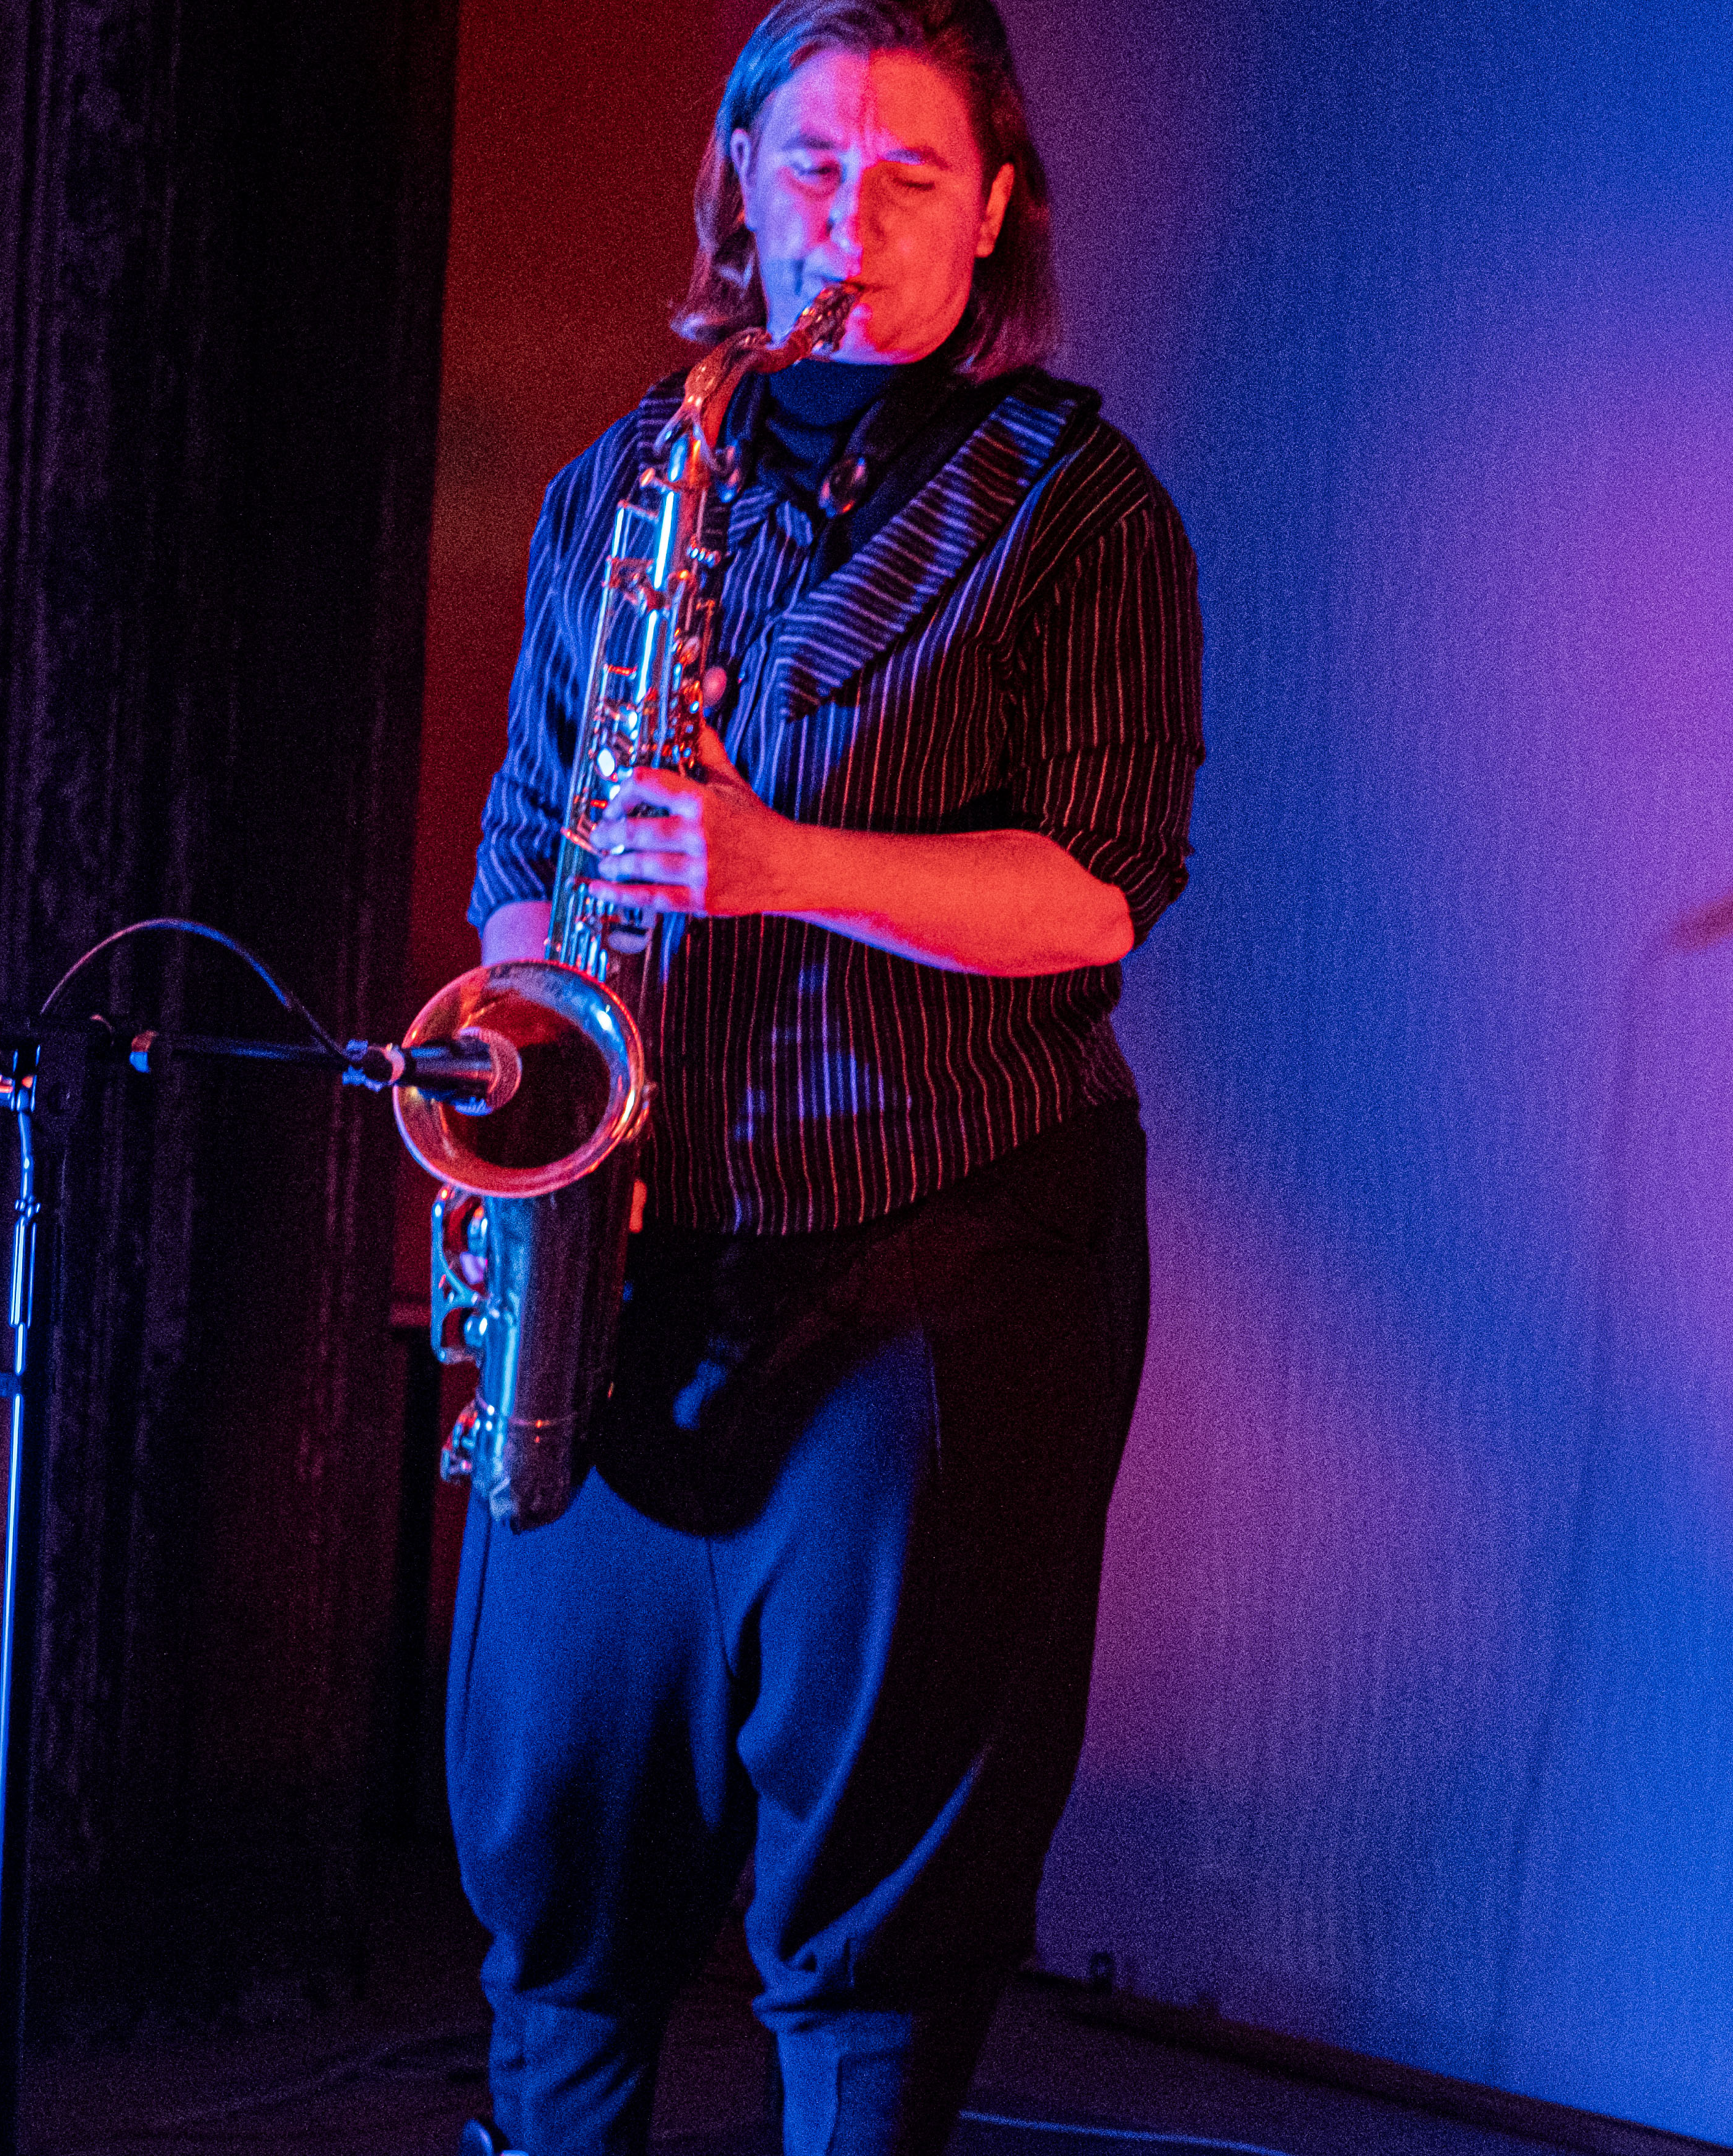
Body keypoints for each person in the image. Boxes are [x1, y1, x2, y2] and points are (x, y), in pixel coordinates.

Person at [449, 6, 1198, 2152]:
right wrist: (516, 1038)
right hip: (633, 1258)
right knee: (560, 1866)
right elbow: (529, 855)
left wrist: (779, 863)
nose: (843, 225)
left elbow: (1098, 891)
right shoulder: (622, 482)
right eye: (808, 169)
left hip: (943, 1251)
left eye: (904, 181)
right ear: (739, 180)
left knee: (872, 1895)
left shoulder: (1077, 501)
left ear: (993, 219)